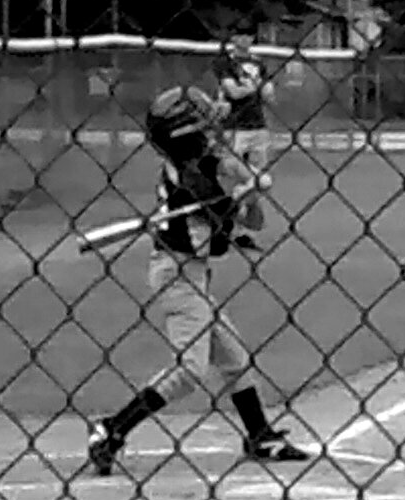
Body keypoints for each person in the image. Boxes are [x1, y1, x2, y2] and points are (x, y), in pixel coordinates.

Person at [88, 84, 308, 476]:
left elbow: (224, 164)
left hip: (190, 273)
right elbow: (229, 236)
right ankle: (112, 429)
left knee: (235, 358)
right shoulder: (192, 187)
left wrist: (249, 180)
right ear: (184, 137)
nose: (211, 134)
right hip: (178, 277)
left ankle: (260, 436)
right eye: (202, 128)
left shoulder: (192, 165)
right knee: (190, 370)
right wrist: (245, 199)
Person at [213, 33, 274, 230]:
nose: (245, 39)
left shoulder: (258, 63)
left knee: (257, 179)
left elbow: (269, 94)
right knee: (235, 174)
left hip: (258, 126)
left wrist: (249, 86)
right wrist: (256, 86)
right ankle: (228, 215)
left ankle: (244, 217)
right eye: (240, 35)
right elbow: (233, 92)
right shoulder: (225, 62)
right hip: (234, 127)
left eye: (248, 35)